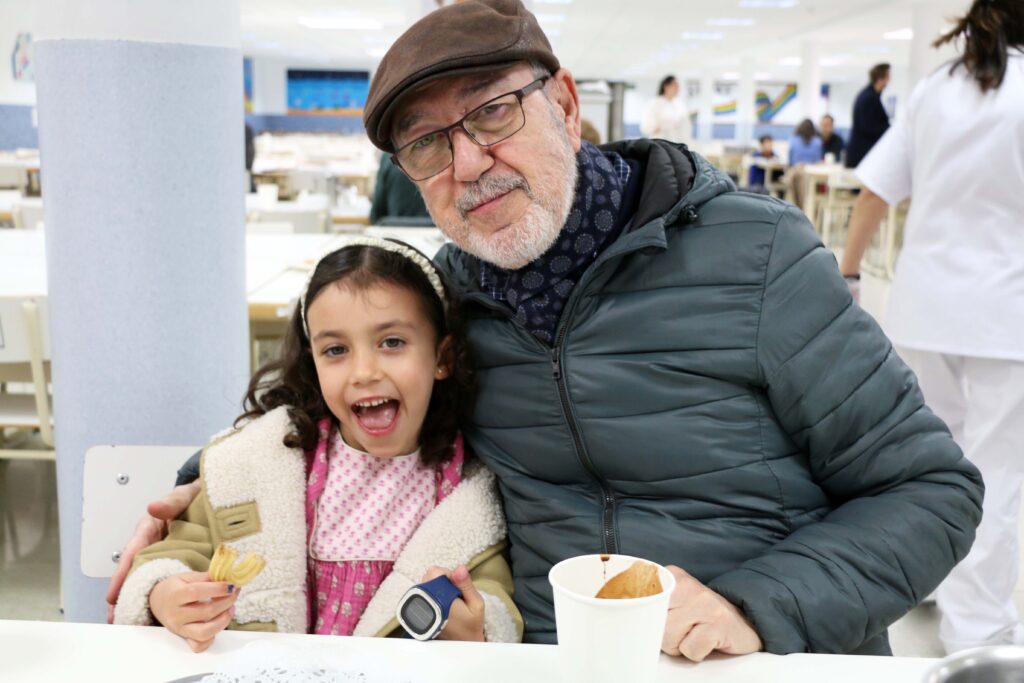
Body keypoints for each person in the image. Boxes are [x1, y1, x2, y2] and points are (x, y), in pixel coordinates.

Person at [110, 0, 983, 662]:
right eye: (425, 146)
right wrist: (203, 481)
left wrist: (756, 607)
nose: (467, 164)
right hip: (546, 662)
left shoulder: (755, 256)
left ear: (564, 103)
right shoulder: (450, 302)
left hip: (758, 661)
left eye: (492, 112)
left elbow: (931, 492)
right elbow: (331, 386)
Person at [111, 238, 522, 651]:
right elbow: (180, 549)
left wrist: (478, 626)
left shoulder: (463, 494)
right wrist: (164, 595)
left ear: (442, 357)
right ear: (313, 362)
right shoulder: (267, 463)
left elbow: (490, 591)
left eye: (392, 342)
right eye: (336, 350)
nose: (363, 371)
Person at [840, 0, 1024, 654]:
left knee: (932, 459)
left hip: (924, 306)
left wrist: (851, 273)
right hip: (1006, 315)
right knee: (996, 469)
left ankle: (929, 578)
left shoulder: (932, 92)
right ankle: (979, 630)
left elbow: (874, 193)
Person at [845, 63, 891, 167]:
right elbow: (867, 127)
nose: (889, 81)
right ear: (881, 78)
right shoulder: (869, 98)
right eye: (888, 77)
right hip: (862, 154)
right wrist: (888, 130)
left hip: (863, 153)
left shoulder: (870, 95)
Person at [369, 152, 432, 225]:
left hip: (395, 231)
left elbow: (376, 214)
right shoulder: (440, 152)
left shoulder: (388, 155)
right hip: (435, 231)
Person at [641, 75, 691, 145]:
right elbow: (647, 127)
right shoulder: (655, 103)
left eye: (678, 86)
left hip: (676, 144)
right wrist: (666, 125)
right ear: (666, 86)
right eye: (675, 85)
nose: (677, 88)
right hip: (659, 144)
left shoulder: (679, 105)